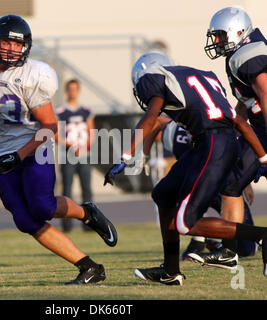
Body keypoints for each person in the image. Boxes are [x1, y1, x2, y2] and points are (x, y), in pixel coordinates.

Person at [0, 14, 117, 285]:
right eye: (6, 42)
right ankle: (89, 267)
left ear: (26, 47)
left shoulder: (33, 75)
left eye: (18, 45)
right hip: (2, 148)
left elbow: (50, 126)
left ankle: (87, 213)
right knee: (25, 221)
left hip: (34, 144)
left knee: (42, 206)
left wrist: (20, 155)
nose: (12, 49)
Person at [104, 52, 267, 286]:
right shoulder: (203, 77)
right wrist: (262, 156)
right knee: (163, 194)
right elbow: (239, 122)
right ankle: (171, 271)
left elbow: (151, 118)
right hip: (216, 142)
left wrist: (126, 155)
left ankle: (261, 235)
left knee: (185, 223)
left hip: (211, 144)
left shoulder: (153, 77)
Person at [193, 6, 267, 265]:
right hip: (259, 130)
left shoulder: (248, 55)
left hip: (265, 131)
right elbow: (249, 100)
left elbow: (266, 93)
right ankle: (229, 251)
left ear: (238, 31)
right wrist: (237, 126)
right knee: (231, 184)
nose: (216, 41)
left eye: (220, 35)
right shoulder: (241, 54)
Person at [143, 116, 257, 260]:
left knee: (246, 248)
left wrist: (144, 153)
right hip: (209, 178)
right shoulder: (179, 126)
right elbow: (157, 122)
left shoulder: (181, 124)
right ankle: (199, 242)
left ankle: (204, 241)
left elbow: (156, 121)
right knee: (182, 212)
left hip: (212, 176)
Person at [55, 79, 95, 232]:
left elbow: (92, 132)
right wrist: (71, 145)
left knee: (87, 190)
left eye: (75, 89)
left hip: (84, 154)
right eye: (70, 89)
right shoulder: (61, 111)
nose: (72, 92)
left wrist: (84, 146)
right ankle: (67, 225)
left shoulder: (86, 111)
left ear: (78, 91)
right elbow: (57, 134)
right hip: (68, 155)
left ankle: (90, 223)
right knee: (67, 190)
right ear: (66, 91)